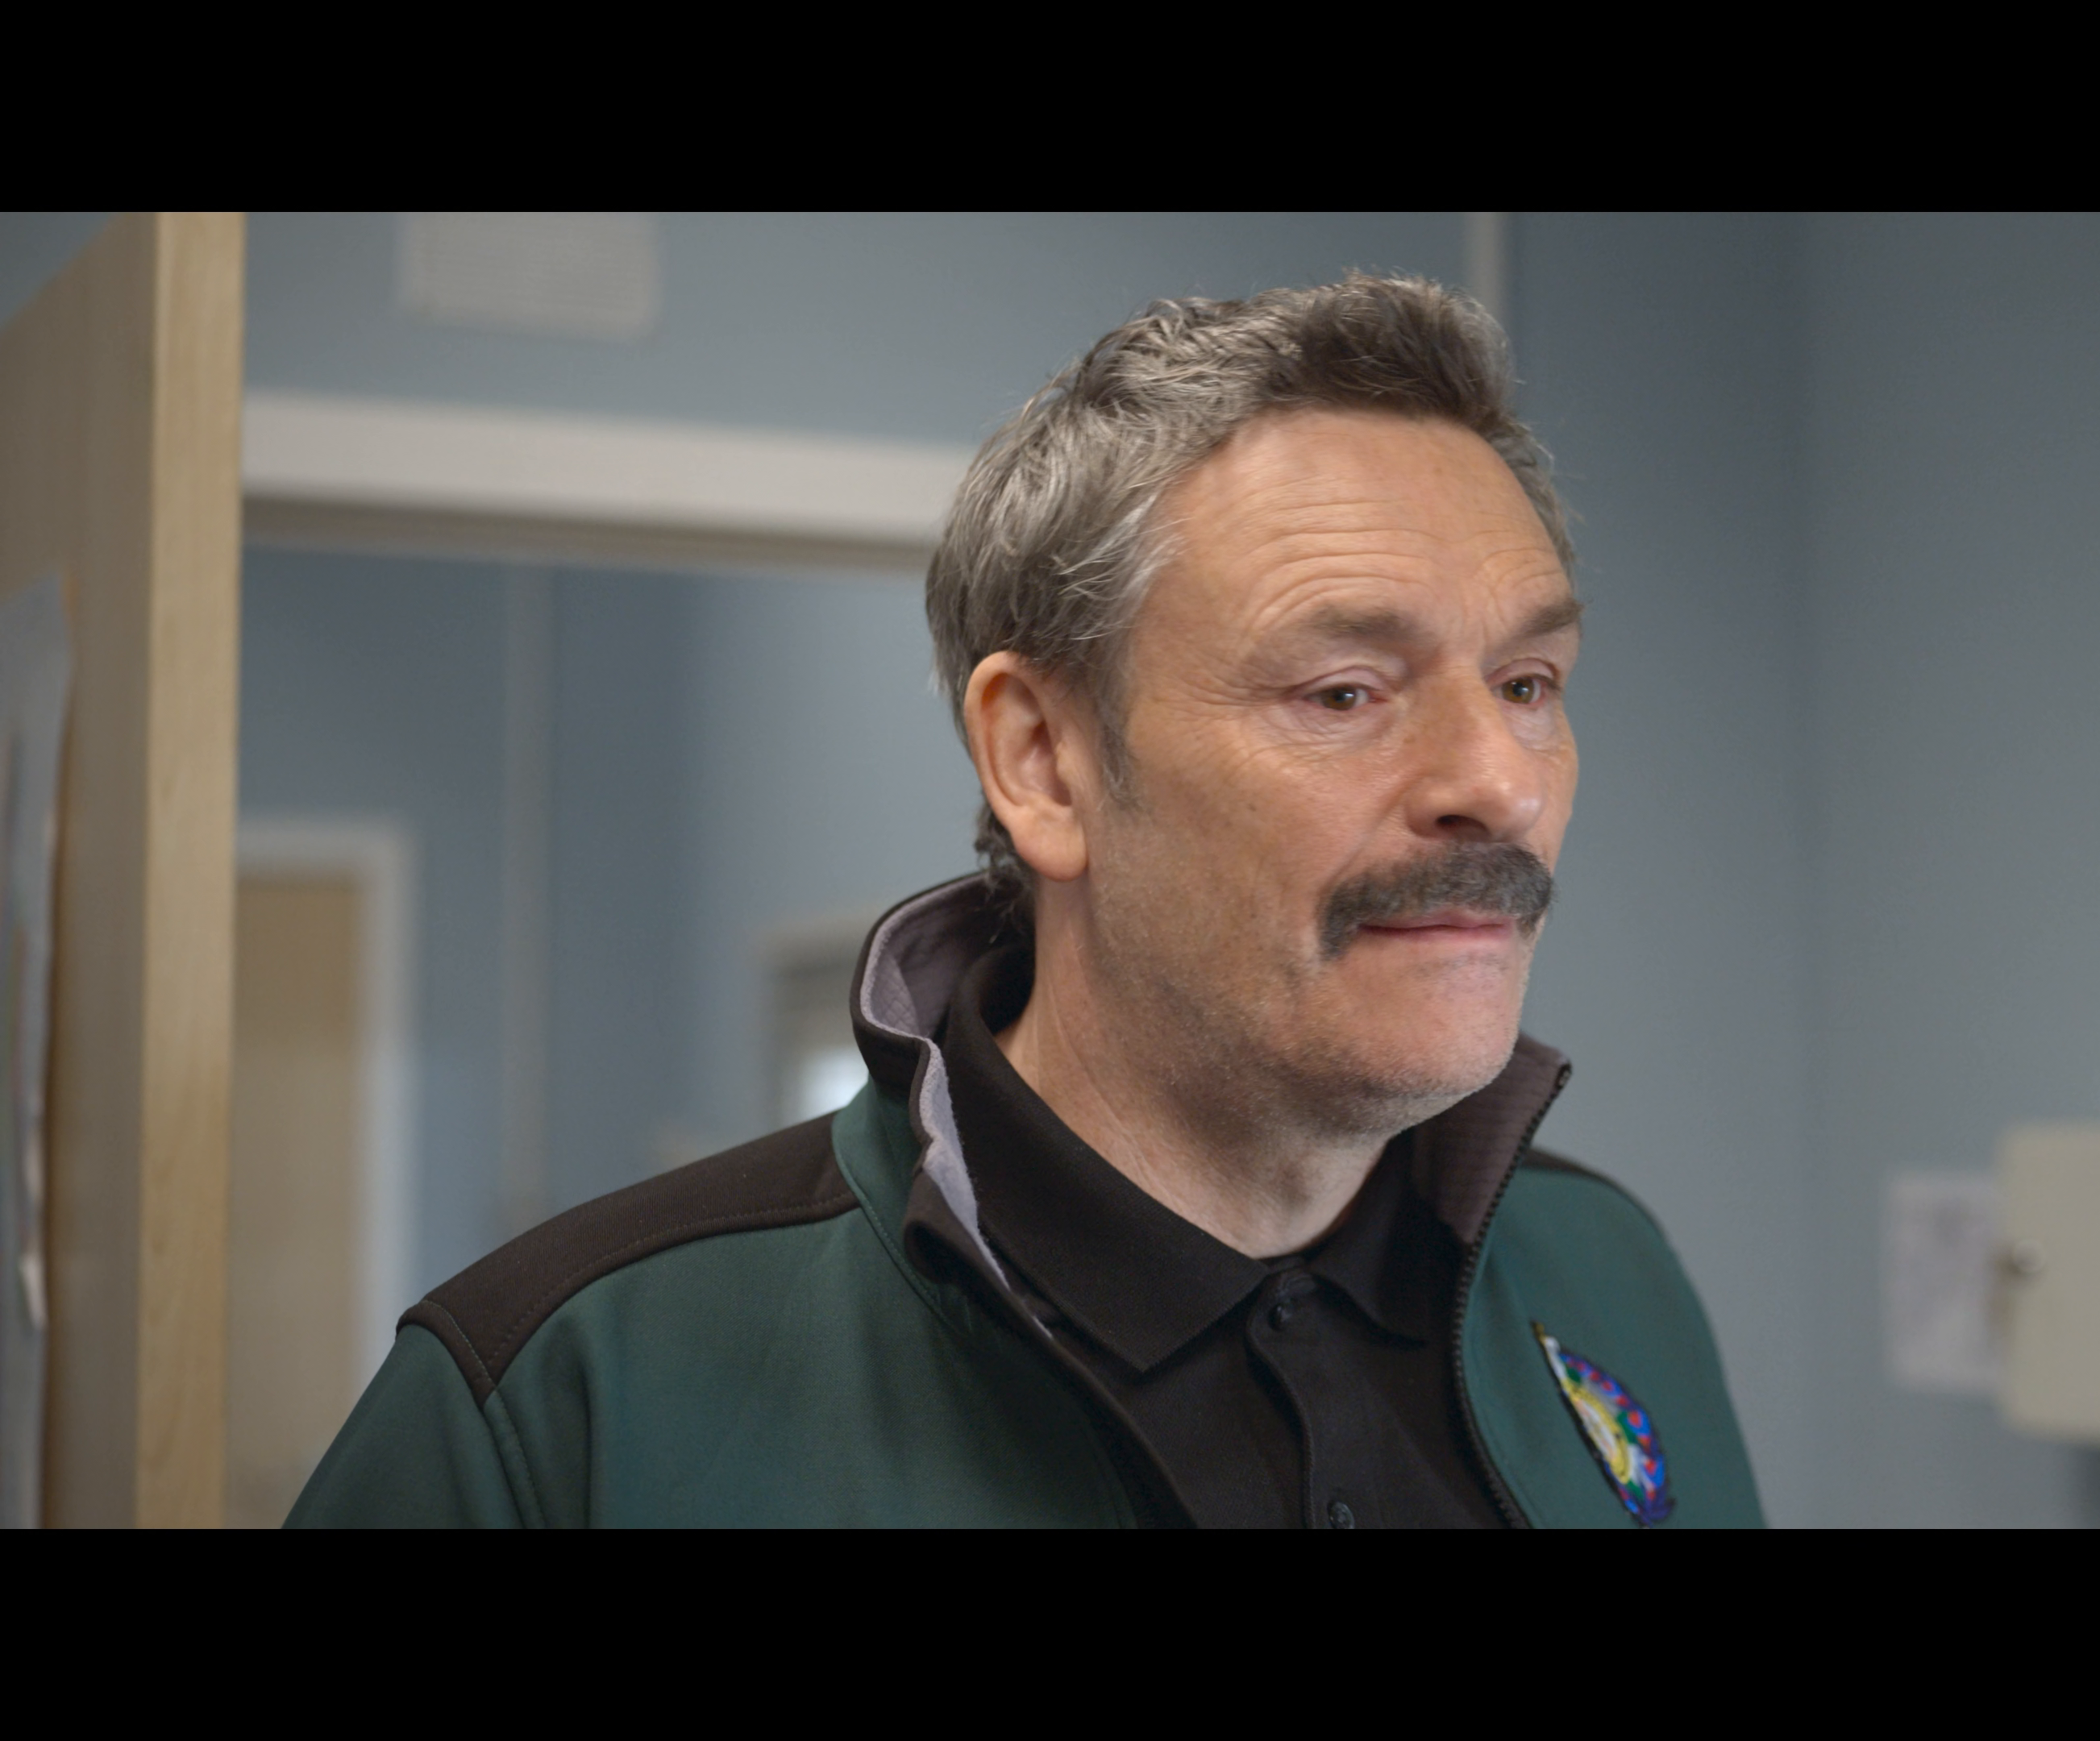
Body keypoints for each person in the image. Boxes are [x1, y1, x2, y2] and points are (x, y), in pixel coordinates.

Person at [291, 274, 1761, 1527]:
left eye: (1528, 684)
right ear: (1044, 761)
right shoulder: (568, 1405)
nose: (1499, 781)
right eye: (1345, 691)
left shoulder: (1604, 1276)